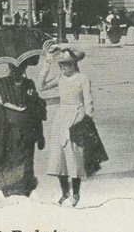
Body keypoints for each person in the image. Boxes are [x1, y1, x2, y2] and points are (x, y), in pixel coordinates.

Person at [0, 55, 47, 197]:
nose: (18, 71)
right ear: (10, 68)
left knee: (26, 156)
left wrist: (37, 102)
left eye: (21, 68)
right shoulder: (1, 83)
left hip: (27, 128)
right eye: (15, 68)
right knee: (9, 155)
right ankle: (9, 185)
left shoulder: (29, 84)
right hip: (7, 127)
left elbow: (35, 102)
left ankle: (24, 185)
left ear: (25, 68)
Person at [39, 44, 99, 207]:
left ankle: (76, 193)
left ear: (74, 63)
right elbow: (41, 86)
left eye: (68, 63)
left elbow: (88, 99)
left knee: (74, 156)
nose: (65, 67)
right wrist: (48, 60)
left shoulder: (82, 78)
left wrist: (87, 118)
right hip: (61, 117)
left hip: (77, 116)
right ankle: (64, 192)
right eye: (62, 64)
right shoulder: (60, 78)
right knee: (59, 155)